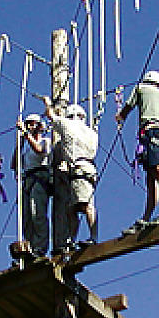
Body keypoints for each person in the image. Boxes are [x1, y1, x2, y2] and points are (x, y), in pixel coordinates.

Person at [116, 70, 159, 235]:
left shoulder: (140, 88)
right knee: (152, 177)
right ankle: (147, 216)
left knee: (158, 171)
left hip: (151, 134)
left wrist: (120, 117)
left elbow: (128, 107)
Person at [44, 97, 98, 252]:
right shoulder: (91, 132)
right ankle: (71, 240)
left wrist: (48, 103)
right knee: (72, 207)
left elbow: (51, 116)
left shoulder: (68, 125)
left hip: (79, 169)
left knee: (84, 205)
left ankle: (92, 237)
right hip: (87, 168)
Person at [11, 113, 51, 257]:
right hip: (28, 179)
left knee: (37, 213)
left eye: (32, 124)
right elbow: (14, 164)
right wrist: (20, 143)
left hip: (40, 177)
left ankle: (40, 247)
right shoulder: (26, 148)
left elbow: (40, 152)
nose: (29, 127)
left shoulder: (46, 141)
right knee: (26, 216)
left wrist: (26, 135)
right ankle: (30, 245)